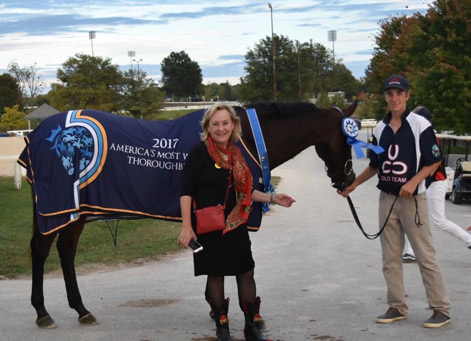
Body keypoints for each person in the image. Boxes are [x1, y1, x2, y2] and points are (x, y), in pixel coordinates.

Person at [338, 75, 451, 328]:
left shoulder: (421, 124)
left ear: (407, 96)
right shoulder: (380, 128)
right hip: (386, 199)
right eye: (390, 93)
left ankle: (441, 309)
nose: (394, 98)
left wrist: (413, 182)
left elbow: (434, 161)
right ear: (386, 97)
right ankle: (397, 306)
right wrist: (354, 184)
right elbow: (376, 165)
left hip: (413, 200)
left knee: (425, 255)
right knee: (390, 258)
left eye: (399, 93)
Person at [178, 103, 295, 341]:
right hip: (209, 227)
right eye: (216, 124)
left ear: (234, 125)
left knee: (246, 272)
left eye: (225, 123)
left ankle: (251, 327)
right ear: (207, 127)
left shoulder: (236, 154)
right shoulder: (198, 153)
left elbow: (246, 192)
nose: (221, 128)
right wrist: (187, 227)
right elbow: (186, 192)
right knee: (216, 274)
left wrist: (273, 197)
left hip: (235, 224)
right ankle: (223, 330)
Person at [402, 106, 471, 263]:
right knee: (414, 216)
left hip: (435, 182)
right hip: (423, 182)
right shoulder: (414, 136)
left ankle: (469, 240)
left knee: (439, 220)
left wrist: (418, 181)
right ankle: (412, 251)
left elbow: (434, 163)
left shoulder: (429, 137)